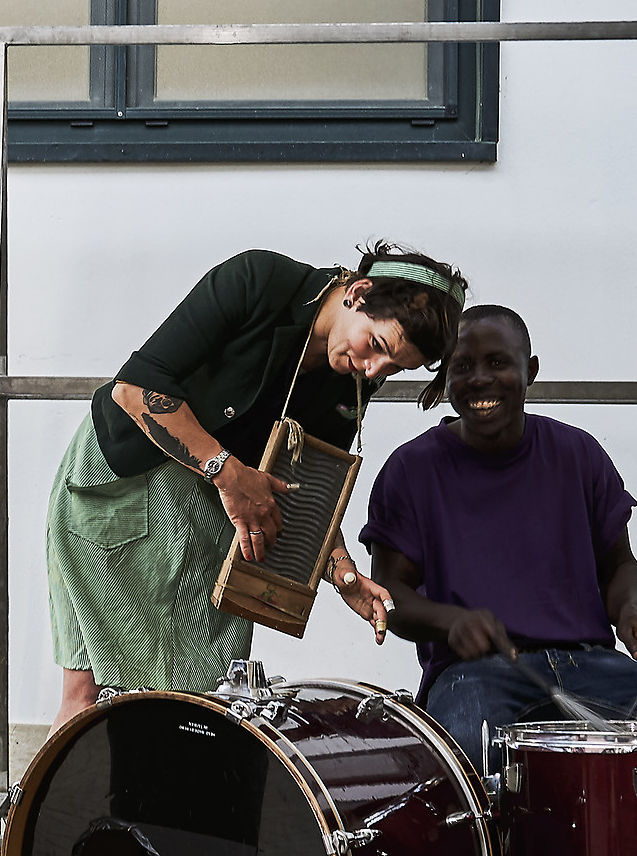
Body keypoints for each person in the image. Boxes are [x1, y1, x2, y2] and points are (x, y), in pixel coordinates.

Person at [45, 244, 470, 729]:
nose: (373, 369)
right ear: (359, 292)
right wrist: (230, 474)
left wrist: (341, 571)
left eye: (393, 367)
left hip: (208, 513)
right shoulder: (259, 281)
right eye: (376, 344)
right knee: (156, 705)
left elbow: (304, 481)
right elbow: (136, 389)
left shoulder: (352, 377)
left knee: (118, 700)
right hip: (126, 490)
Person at [362, 304, 637, 765]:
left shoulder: (578, 453)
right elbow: (389, 596)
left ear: (531, 371)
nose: (479, 379)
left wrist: (630, 613)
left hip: (594, 665)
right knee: (469, 759)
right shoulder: (410, 469)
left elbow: (619, 564)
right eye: (461, 367)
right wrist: (450, 620)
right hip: (475, 675)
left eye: (497, 363)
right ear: (445, 377)